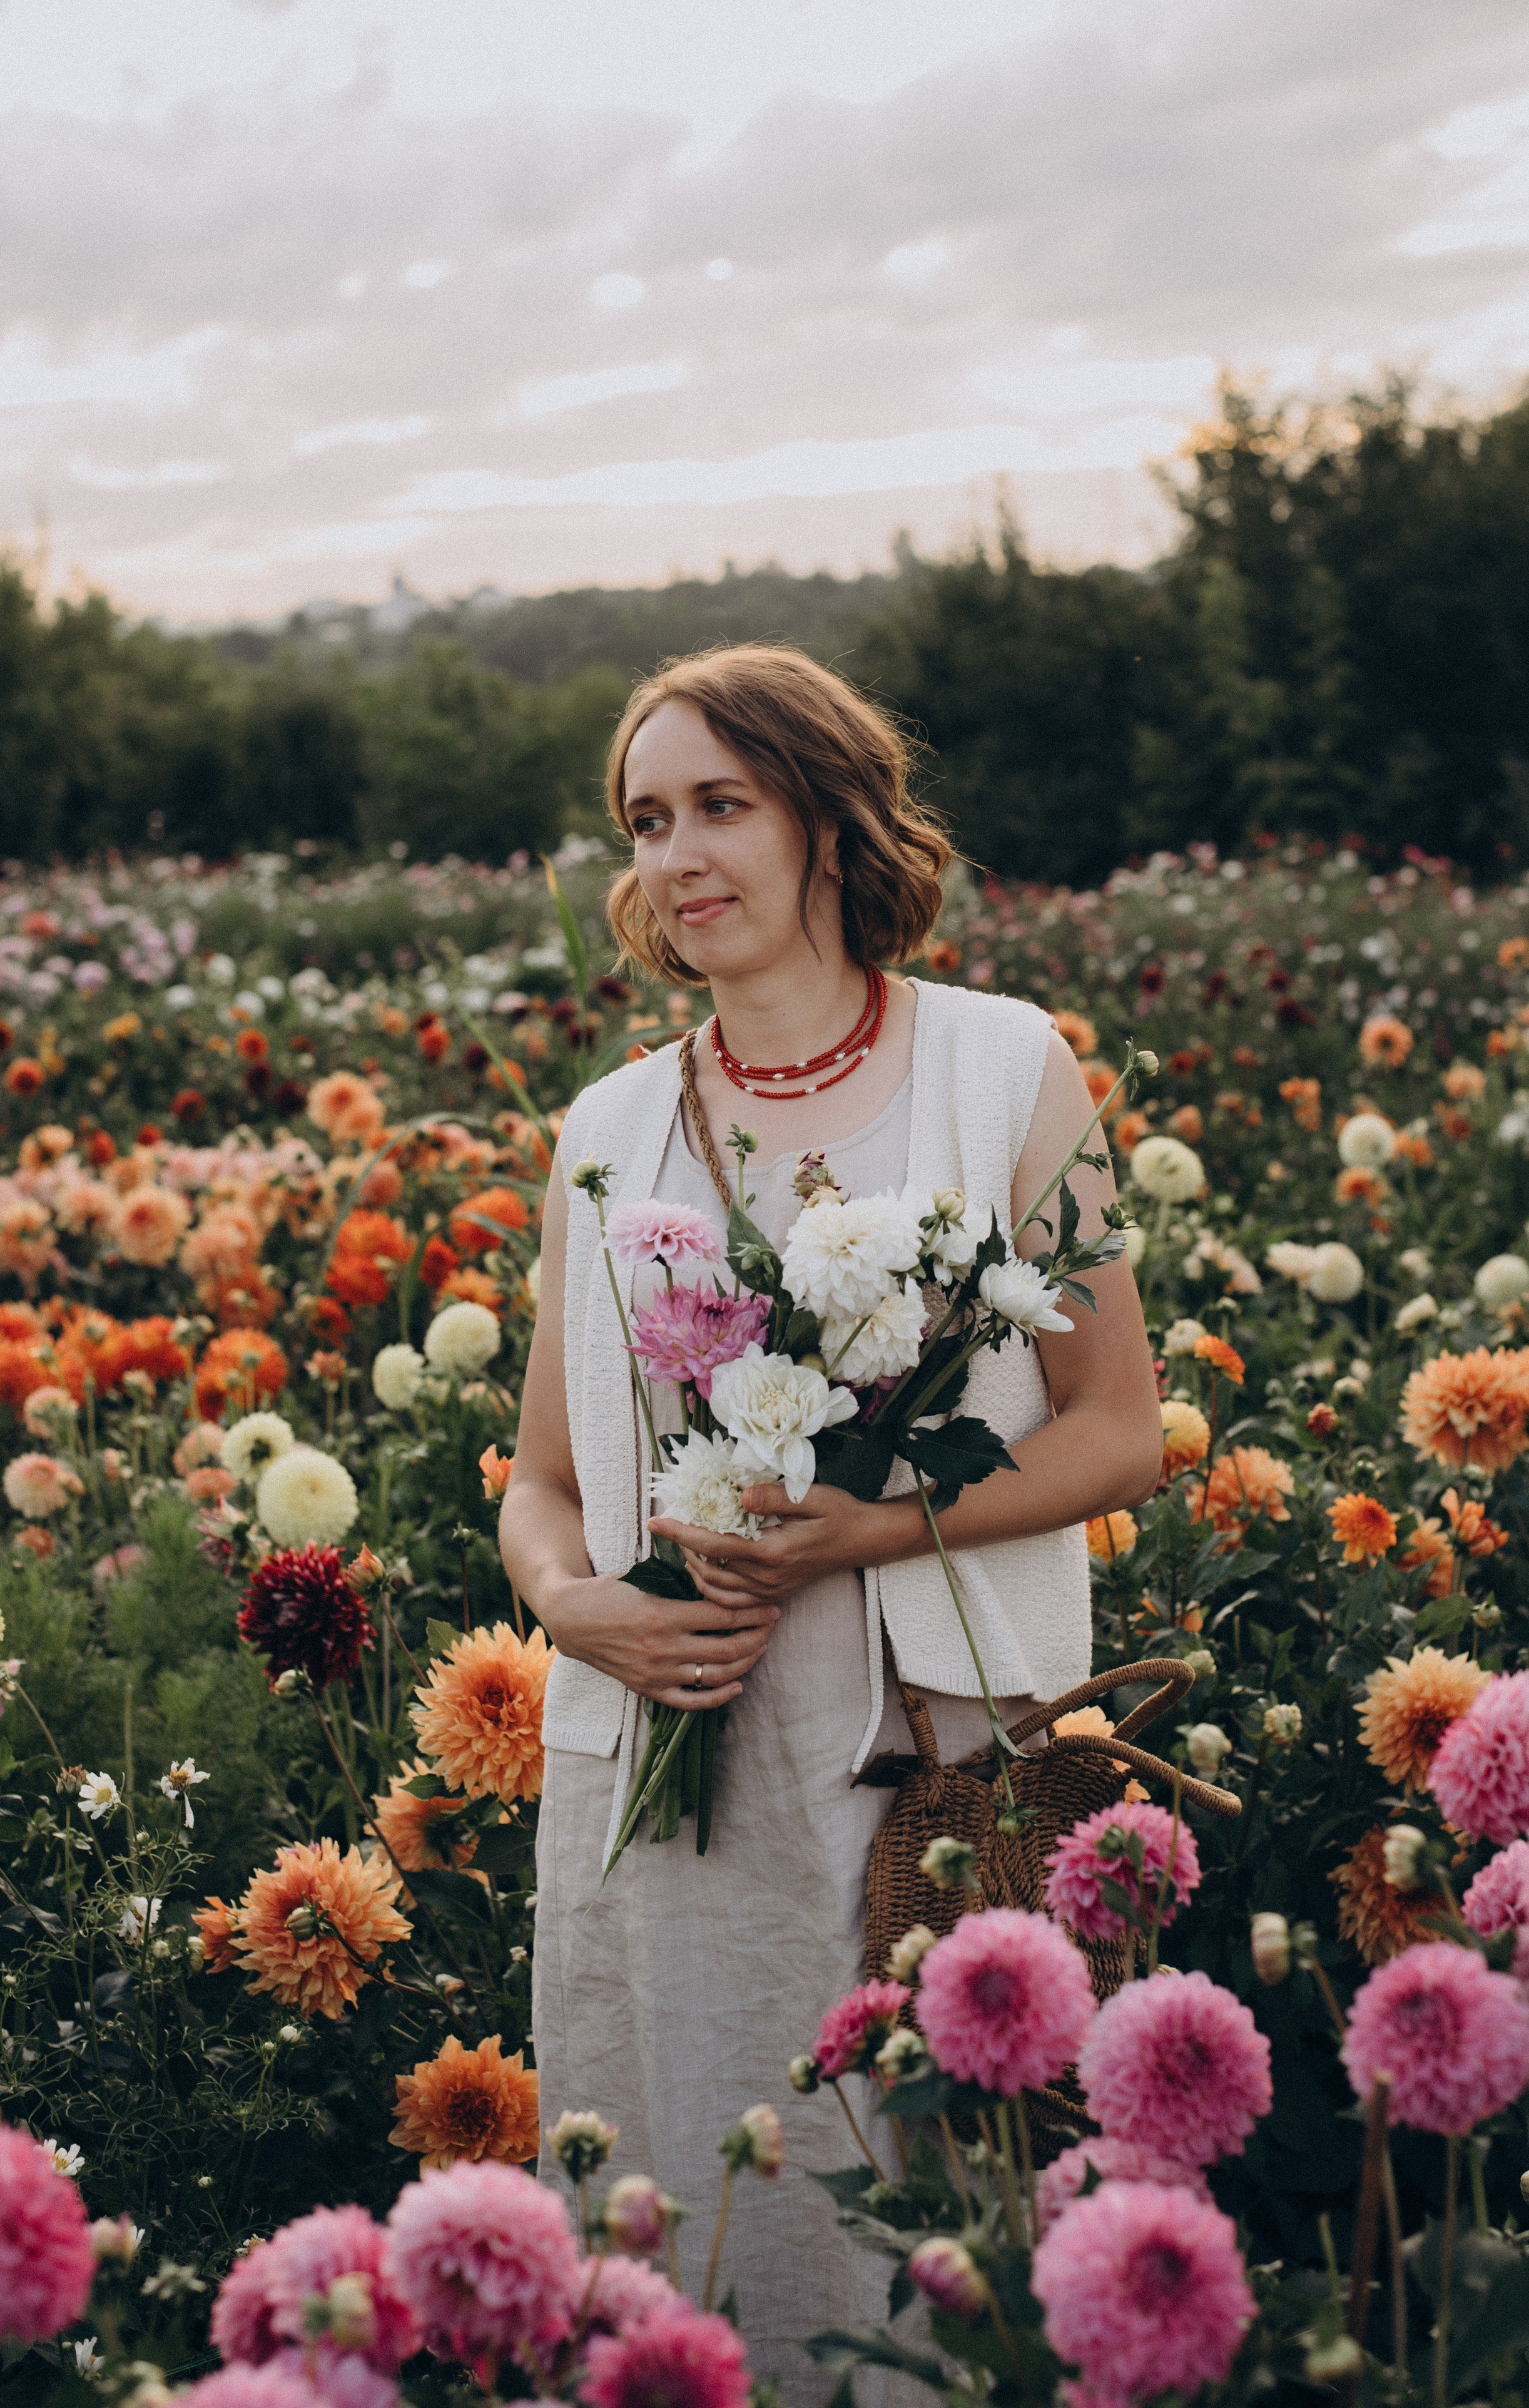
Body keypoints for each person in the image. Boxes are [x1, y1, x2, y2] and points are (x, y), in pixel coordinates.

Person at [500, 644, 1162, 2392]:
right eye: (647, 821)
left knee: (939, 2217)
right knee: (702, 2201)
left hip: (930, 1767)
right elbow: (543, 1485)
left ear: (826, 818)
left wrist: (858, 1534)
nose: (677, 856)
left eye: (724, 805)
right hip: (676, 1753)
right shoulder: (612, 1129)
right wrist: (581, 1611)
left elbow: (1119, 1430)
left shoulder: (1004, 1074)